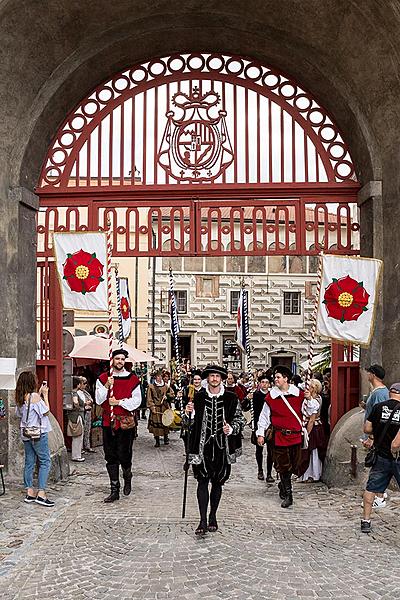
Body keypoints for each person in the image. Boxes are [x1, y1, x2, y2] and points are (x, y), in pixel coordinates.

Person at [184, 364, 246, 535]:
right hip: (202, 447)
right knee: (202, 481)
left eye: (217, 376)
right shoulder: (197, 397)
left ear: (222, 379)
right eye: (211, 376)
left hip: (222, 448)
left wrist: (231, 428)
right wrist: (188, 413)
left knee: (218, 483)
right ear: (207, 379)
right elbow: (187, 424)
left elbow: (241, 420)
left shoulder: (231, 398)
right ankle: (202, 520)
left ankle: (213, 516)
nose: (214, 379)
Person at [256, 365, 314, 508]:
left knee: (295, 465)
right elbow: (264, 417)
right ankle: (289, 495)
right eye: (275, 377)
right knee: (283, 466)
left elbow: (311, 410)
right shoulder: (271, 397)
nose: (275, 379)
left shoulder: (299, 394)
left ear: (286, 379)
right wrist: (260, 434)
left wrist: (309, 398)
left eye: (278, 377)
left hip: (295, 436)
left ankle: (283, 483)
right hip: (279, 436)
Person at [95, 349, 142, 503]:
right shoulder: (103, 378)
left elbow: (137, 401)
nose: (120, 361)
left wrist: (119, 402)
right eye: (117, 359)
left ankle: (127, 476)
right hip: (109, 421)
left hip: (125, 423)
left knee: (125, 454)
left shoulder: (132, 379)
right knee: (110, 456)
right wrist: (107, 386)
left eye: (122, 359)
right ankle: (114, 489)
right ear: (112, 360)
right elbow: (98, 399)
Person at [361, 382, 400, 533]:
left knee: (371, 487)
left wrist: (373, 436)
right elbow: (396, 443)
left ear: (390, 393)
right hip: (397, 457)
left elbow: (367, 428)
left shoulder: (378, 407)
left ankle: (366, 520)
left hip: (381, 455)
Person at [15, 371, 54, 507]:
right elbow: (46, 411)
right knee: (45, 461)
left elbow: (20, 414)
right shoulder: (36, 396)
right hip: (38, 433)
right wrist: (45, 395)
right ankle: (41, 493)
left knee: (29, 461)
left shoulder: (20, 397)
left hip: (25, 433)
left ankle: (29, 491)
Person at [361, 364, 390, 508]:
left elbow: (378, 417)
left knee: (377, 466)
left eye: (368, 373)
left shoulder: (379, 393)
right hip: (376, 435)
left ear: (372, 374)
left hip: (376, 437)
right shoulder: (378, 391)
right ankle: (379, 493)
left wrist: (371, 437)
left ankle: (379, 495)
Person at [298, 379, 327, 482]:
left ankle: (313, 474)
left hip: (314, 427)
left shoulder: (316, 400)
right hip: (308, 425)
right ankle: (305, 473)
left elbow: (312, 419)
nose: (307, 388)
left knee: (312, 451)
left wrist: (307, 433)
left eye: (309, 387)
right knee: (307, 451)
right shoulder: (308, 399)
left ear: (314, 388)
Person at [253, 372, 274, 482]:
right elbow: (255, 412)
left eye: (266, 382)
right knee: (259, 449)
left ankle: (269, 473)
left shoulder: (272, 395)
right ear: (259, 383)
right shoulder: (256, 395)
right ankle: (260, 469)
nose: (265, 384)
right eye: (262, 382)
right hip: (258, 424)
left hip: (270, 425)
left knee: (270, 451)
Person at [147, 370, 174, 447]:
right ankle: (157, 440)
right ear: (155, 377)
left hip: (164, 407)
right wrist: (152, 407)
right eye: (158, 376)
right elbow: (149, 398)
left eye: (161, 376)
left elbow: (172, 394)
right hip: (156, 407)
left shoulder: (166, 386)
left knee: (165, 423)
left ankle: (166, 438)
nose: (159, 378)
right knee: (156, 424)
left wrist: (167, 396)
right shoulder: (151, 387)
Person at [69, 376, 86, 462]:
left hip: (73, 416)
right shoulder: (74, 393)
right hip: (77, 415)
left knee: (76, 436)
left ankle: (76, 454)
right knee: (78, 435)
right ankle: (76, 455)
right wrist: (79, 407)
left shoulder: (70, 392)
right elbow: (75, 402)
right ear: (78, 384)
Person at [81, 377, 95, 453]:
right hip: (83, 412)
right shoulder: (78, 393)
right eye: (84, 383)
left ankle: (87, 445)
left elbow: (91, 400)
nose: (86, 385)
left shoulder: (86, 392)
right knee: (82, 430)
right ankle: (82, 447)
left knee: (88, 429)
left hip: (88, 411)